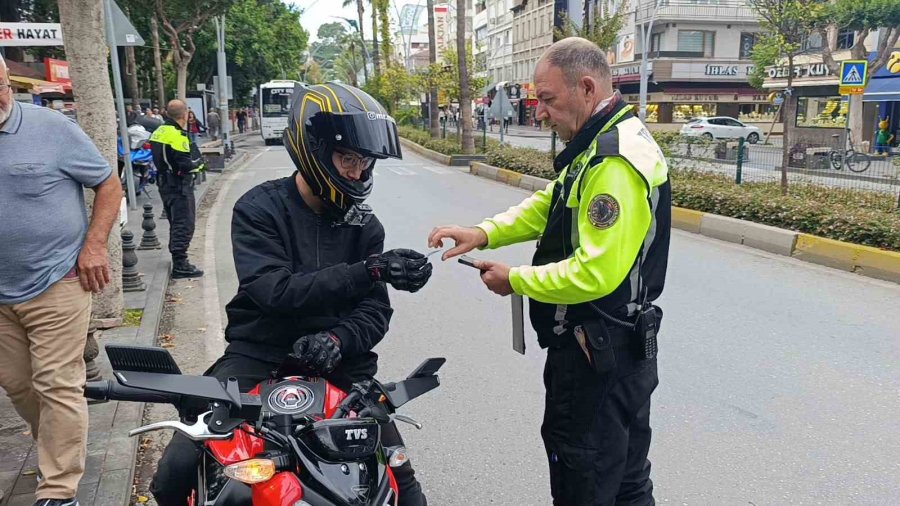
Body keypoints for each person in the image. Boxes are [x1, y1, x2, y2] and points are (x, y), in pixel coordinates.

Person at [150, 83, 433, 505]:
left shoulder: (365, 225)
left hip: (340, 363)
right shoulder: (258, 209)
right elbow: (274, 291)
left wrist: (337, 339)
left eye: (365, 162)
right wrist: (368, 269)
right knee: (175, 468)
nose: (358, 173)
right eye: (347, 159)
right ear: (314, 151)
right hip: (260, 354)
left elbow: (375, 310)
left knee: (404, 484)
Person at [428, 37, 671, 505]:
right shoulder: (604, 140)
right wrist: (483, 233)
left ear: (585, 87)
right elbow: (552, 204)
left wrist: (515, 280)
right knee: (626, 482)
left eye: (548, 100)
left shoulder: (612, 161)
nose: (540, 113)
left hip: (596, 353)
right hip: (621, 348)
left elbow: (595, 274)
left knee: (585, 477)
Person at [0, 53, 123, 506]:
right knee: (17, 383)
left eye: (0, 85)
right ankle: (60, 442)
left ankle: (58, 489)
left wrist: (94, 245)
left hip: (58, 279)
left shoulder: (52, 129)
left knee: (57, 382)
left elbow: (109, 184)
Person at [150, 100, 205, 279]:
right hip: (178, 185)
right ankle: (180, 264)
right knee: (184, 224)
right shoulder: (177, 136)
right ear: (185, 114)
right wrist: (200, 163)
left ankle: (177, 258)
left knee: (175, 222)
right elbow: (185, 165)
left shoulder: (159, 131)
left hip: (164, 184)